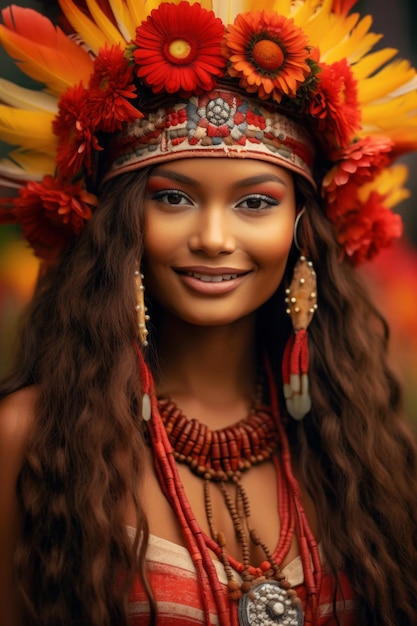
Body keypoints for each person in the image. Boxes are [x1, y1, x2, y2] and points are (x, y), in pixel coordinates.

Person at [0, 0, 416, 625]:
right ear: (122, 228)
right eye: (173, 198)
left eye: (255, 202)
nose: (214, 237)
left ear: (303, 231)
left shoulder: (369, 443)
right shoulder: (28, 437)